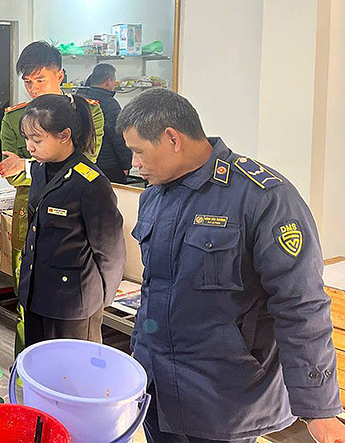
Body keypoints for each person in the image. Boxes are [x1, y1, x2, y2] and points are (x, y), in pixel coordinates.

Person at [117, 88, 345, 442]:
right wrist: (138, 355)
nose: (134, 164)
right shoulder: (154, 197)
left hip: (223, 401)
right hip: (157, 388)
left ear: (172, 138)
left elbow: (300, 304)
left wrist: (319, 408)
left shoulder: (262, 198)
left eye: (138, 152)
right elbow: (156, 289)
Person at [0, 40, 106, 356]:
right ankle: (25, 368)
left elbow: (85, 164)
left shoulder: (87, 113)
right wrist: (33, 167)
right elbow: (11, 172)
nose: (32, 89)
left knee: (68, 308)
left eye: (39, 80)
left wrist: (29, 165)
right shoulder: (13, 118)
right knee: (26, 298)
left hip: (73, 219)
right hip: (28, 214)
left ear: (60, 74)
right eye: (27, 82)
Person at [17, 94, 125, 345]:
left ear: (65, 135)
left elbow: (110, 251)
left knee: (74, 379)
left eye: (37, 139)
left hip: (73, 305)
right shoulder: (40, 170)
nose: (30, 147)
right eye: (27, 139)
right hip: (37, 293)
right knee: (39, 369)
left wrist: (99, 301)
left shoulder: (91, 183)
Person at [77, 63, 132, 183]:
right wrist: (126, 164)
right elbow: (118, 136)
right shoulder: (109, 104)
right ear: (108, 81)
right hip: (108, 165)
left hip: (82, 162)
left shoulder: (78, 98)